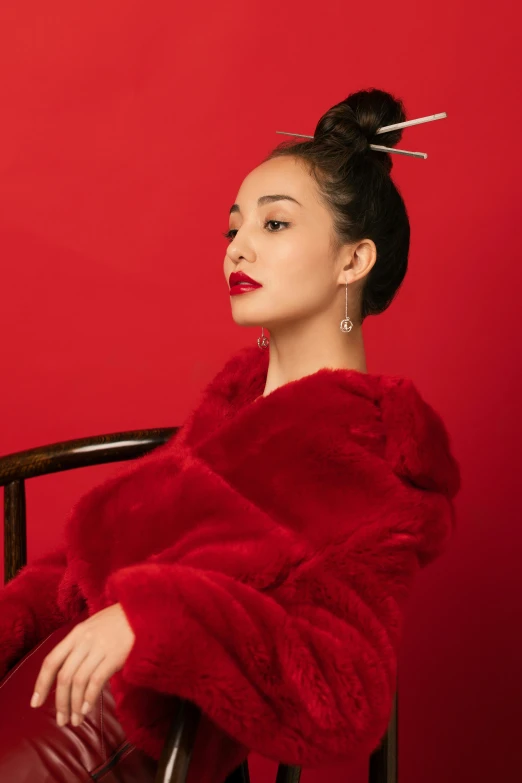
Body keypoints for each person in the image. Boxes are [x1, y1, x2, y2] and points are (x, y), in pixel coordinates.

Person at [0, 87, 461, 783]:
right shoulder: (237, 406)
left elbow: (345, 691)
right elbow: (90, 557)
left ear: (352, 260)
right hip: (56, 682)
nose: (238, 247)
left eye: (275, 226)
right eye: (234, 228)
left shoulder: (370, 460)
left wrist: (158, 618)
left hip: (127, 729)